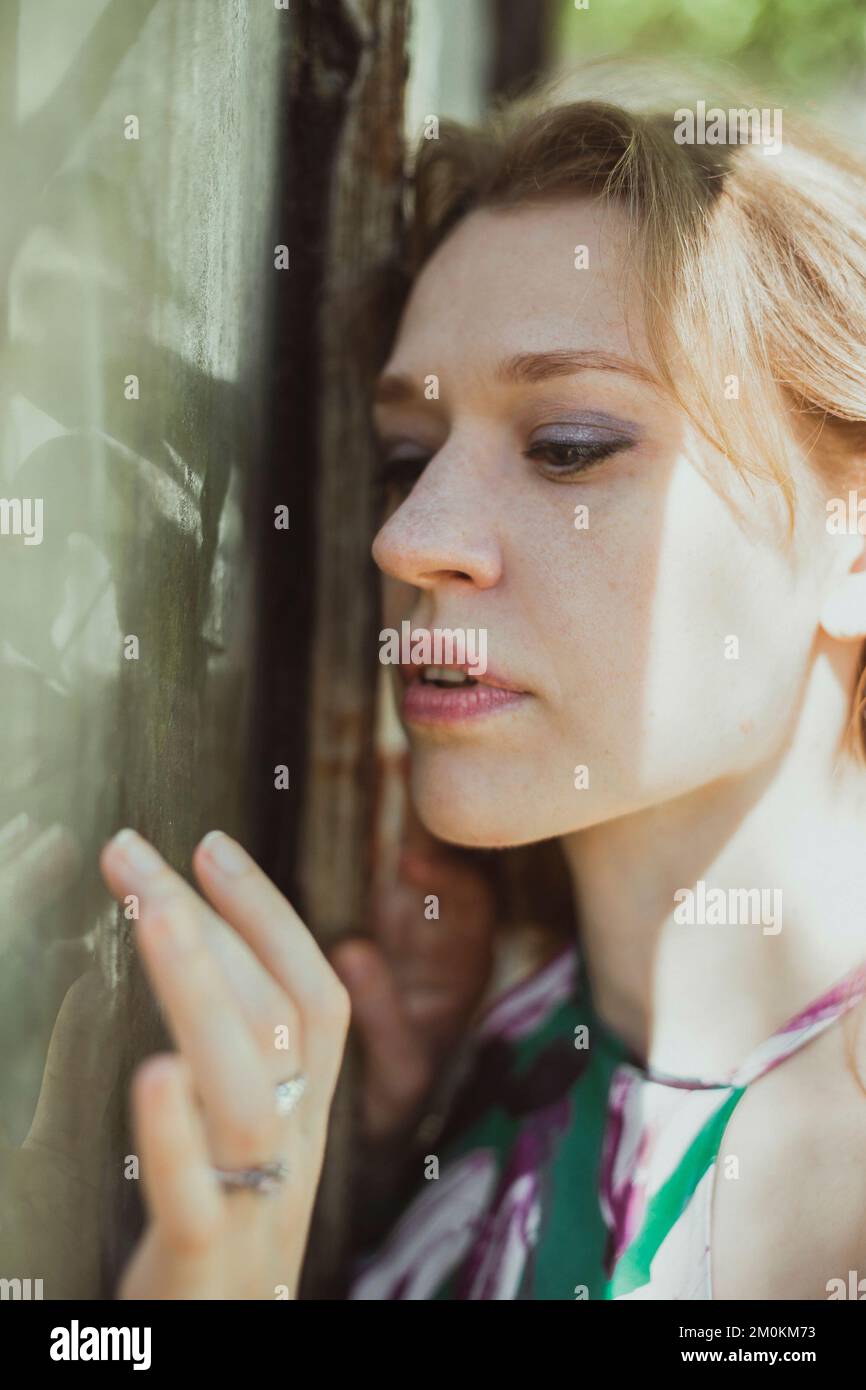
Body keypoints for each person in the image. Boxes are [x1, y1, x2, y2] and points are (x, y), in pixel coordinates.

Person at [21, 66, 866, 1300]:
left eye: (567, 446)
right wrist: (391, 1160)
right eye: (405, 458)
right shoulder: (492, 1046)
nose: (407, 539)